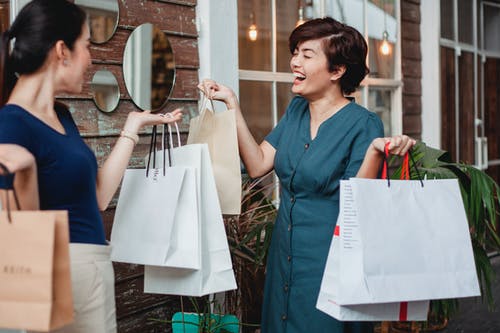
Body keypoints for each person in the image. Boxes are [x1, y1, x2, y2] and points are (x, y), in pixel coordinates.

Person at [199, 17, 415, 333]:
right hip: (284, 258)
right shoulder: (296, 110)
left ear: (337, 70)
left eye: (307, 54)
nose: (294, 61)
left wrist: (374, 152)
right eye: (295, 52)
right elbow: (258, 163)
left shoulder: (363, 124)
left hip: (331, 262)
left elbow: (360, 201)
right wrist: (232, 104)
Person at [0, 0, 182, 332]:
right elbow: (13, 226)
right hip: (59, 273)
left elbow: (97, 197)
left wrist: (132, 126)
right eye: (85, 45)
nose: (90, 57)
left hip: (91, 272)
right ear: (61, 51)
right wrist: (23, 172)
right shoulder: (11, 124)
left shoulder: (62, 116)